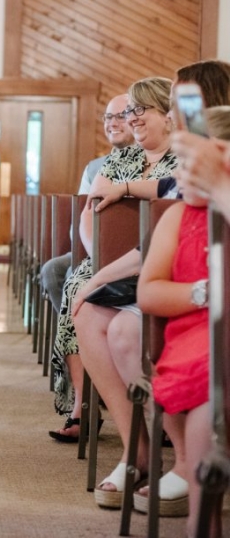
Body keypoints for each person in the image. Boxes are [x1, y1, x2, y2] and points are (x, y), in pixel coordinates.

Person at [71, 60, 230, 510]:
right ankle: (137, 449)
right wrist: (97, 275)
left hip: (207, 289)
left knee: (125, 329)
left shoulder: (214, 156)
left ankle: (186, 460)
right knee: (87, 306)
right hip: (186, 282)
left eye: (184, 106)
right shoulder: (185, 166)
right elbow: (166, 196)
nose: (177, 117)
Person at [49, 77, 178, 443]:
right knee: (77, 284)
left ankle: (157, 416)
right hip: (110, 257)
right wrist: (99, 256)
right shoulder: (121, 157)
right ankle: (84, 403)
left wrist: (124, 189)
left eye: (141, 110)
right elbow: (90, 211)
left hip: (159, 261)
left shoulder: (185, 158)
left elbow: (172, 197)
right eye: (129, 112)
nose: (132, 119)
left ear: (168, 115)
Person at [136, 106, 230, 537]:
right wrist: (205, 292)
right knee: (210, 395)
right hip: (197, 340)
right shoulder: (177, 216)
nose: (184, 175)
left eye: (196, 164)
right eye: (181, 164)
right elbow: (149, 292)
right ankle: (201, 516)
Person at [42, 94, 134, 397]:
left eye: (121, 115)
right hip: (95, 248)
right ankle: (86, 370)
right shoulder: (96, 167)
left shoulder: (158, 161)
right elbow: (83, 217)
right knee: (57, 271)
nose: (113, 122)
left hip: (135, 252)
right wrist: (96, 255)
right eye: (108, 117)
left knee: (74, 278)